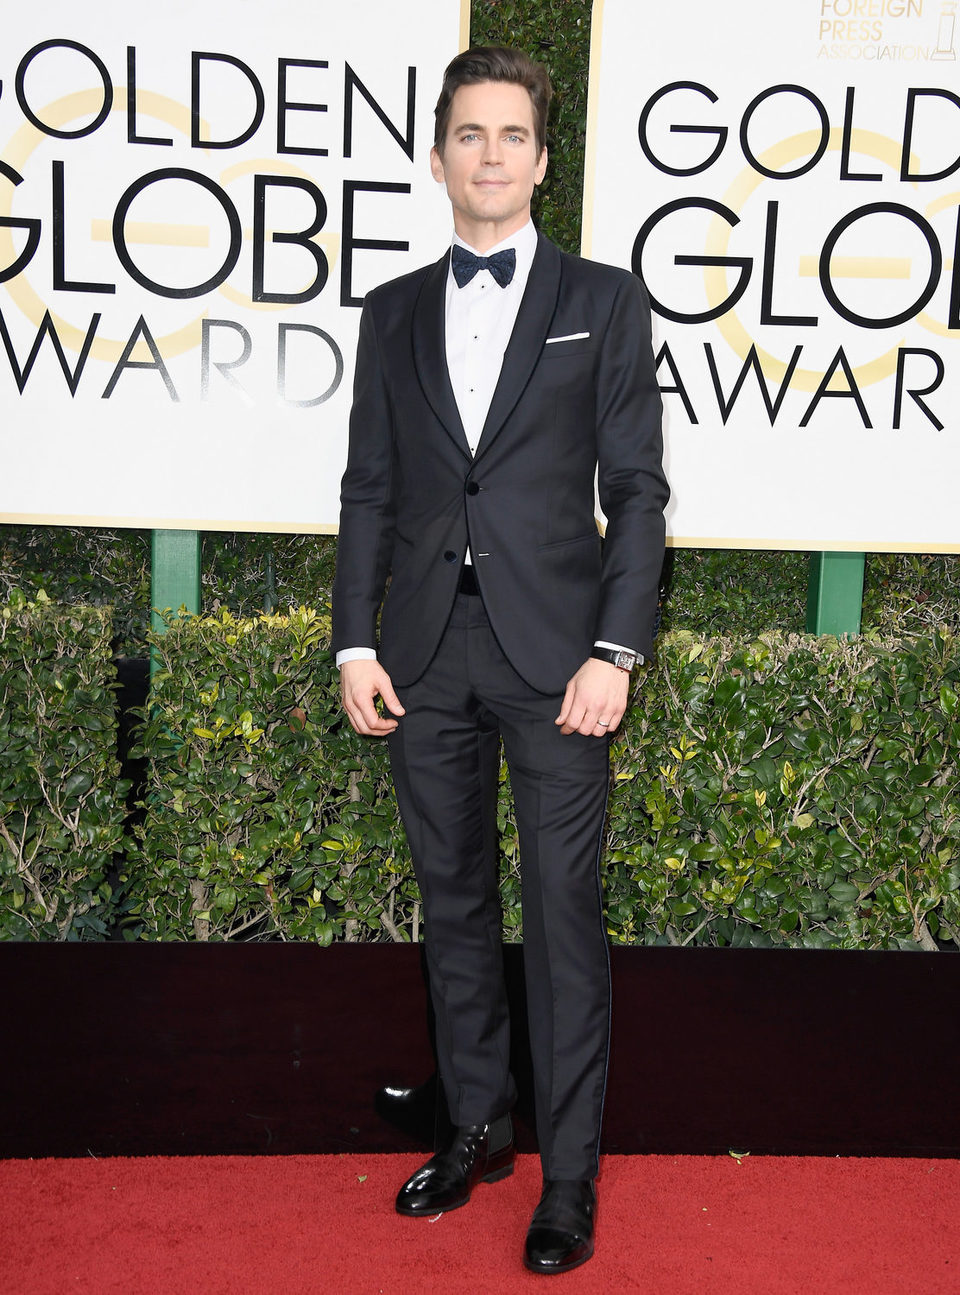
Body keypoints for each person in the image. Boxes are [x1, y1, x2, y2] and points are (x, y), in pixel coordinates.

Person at [332, 45, 668, 1275]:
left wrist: (616, 648)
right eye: (469, 134)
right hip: (423, 653)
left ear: (541, 157)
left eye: (512, 135)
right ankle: (476, 1123)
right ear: (438, 157)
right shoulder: (393, 312)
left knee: (563, 917)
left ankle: (569, 1178)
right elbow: (371, 487)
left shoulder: (606, 298)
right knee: (456, 904)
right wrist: (355, 638)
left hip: (557, 664)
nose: (491, 155)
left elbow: (636, 494)